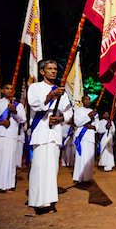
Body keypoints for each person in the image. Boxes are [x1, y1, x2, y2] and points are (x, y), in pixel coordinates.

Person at [27, 59, 72, 215]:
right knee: (38, 168)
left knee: (52, 169)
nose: (53, 71)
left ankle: (50, 202)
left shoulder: (62, 91)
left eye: (55, 69)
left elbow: (68, 112)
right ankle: (35, 203)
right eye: (49, 69)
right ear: (42, 72)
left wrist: (60, 119)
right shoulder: (34, 87)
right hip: (40, 132)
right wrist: (51, 95)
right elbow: (34, 105)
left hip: (55, 134)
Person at [0, 83, 27, 194]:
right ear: (2, 91)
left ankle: (9, 185)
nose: (9, 90)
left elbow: (22, 120)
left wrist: (14, 111)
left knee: (10, 160)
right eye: (7, 88)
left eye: (11, 89)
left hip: (11, 136)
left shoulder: (18, 105)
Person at [73, 95, 99, 182]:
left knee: (89, 158)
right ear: (82, 101)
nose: (88, 101)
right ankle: (79, 177)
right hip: (82, 137)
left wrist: (91, 126)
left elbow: (97, 126)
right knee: (81, 157)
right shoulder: (78, 111)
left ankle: (87, 178)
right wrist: (88, 116)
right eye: (86, 99)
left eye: (89, 99)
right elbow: (77, 122)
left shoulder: (94, 113)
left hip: (90, 137)